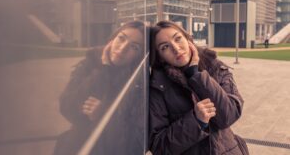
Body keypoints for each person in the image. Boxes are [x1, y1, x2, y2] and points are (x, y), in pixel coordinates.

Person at [149, 21, 249, 155]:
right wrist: (196, 121)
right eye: (165, 47)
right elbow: (159, 146)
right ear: (160, 57)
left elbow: (228, 115)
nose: (176, 49)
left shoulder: (215, 66)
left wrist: (196, 74)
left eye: (178, 39)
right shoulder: (158, 86)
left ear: (188, 39)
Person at [54, 21, 146, 155]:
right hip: (77, 145)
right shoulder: (90, 63)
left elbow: (137, 135)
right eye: (121, 38)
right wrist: (104, 69)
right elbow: (67, 107)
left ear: (139, 56)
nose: (122, 48)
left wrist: (104, 113)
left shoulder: (138, 81)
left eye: (135, 47)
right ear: (112, 38)